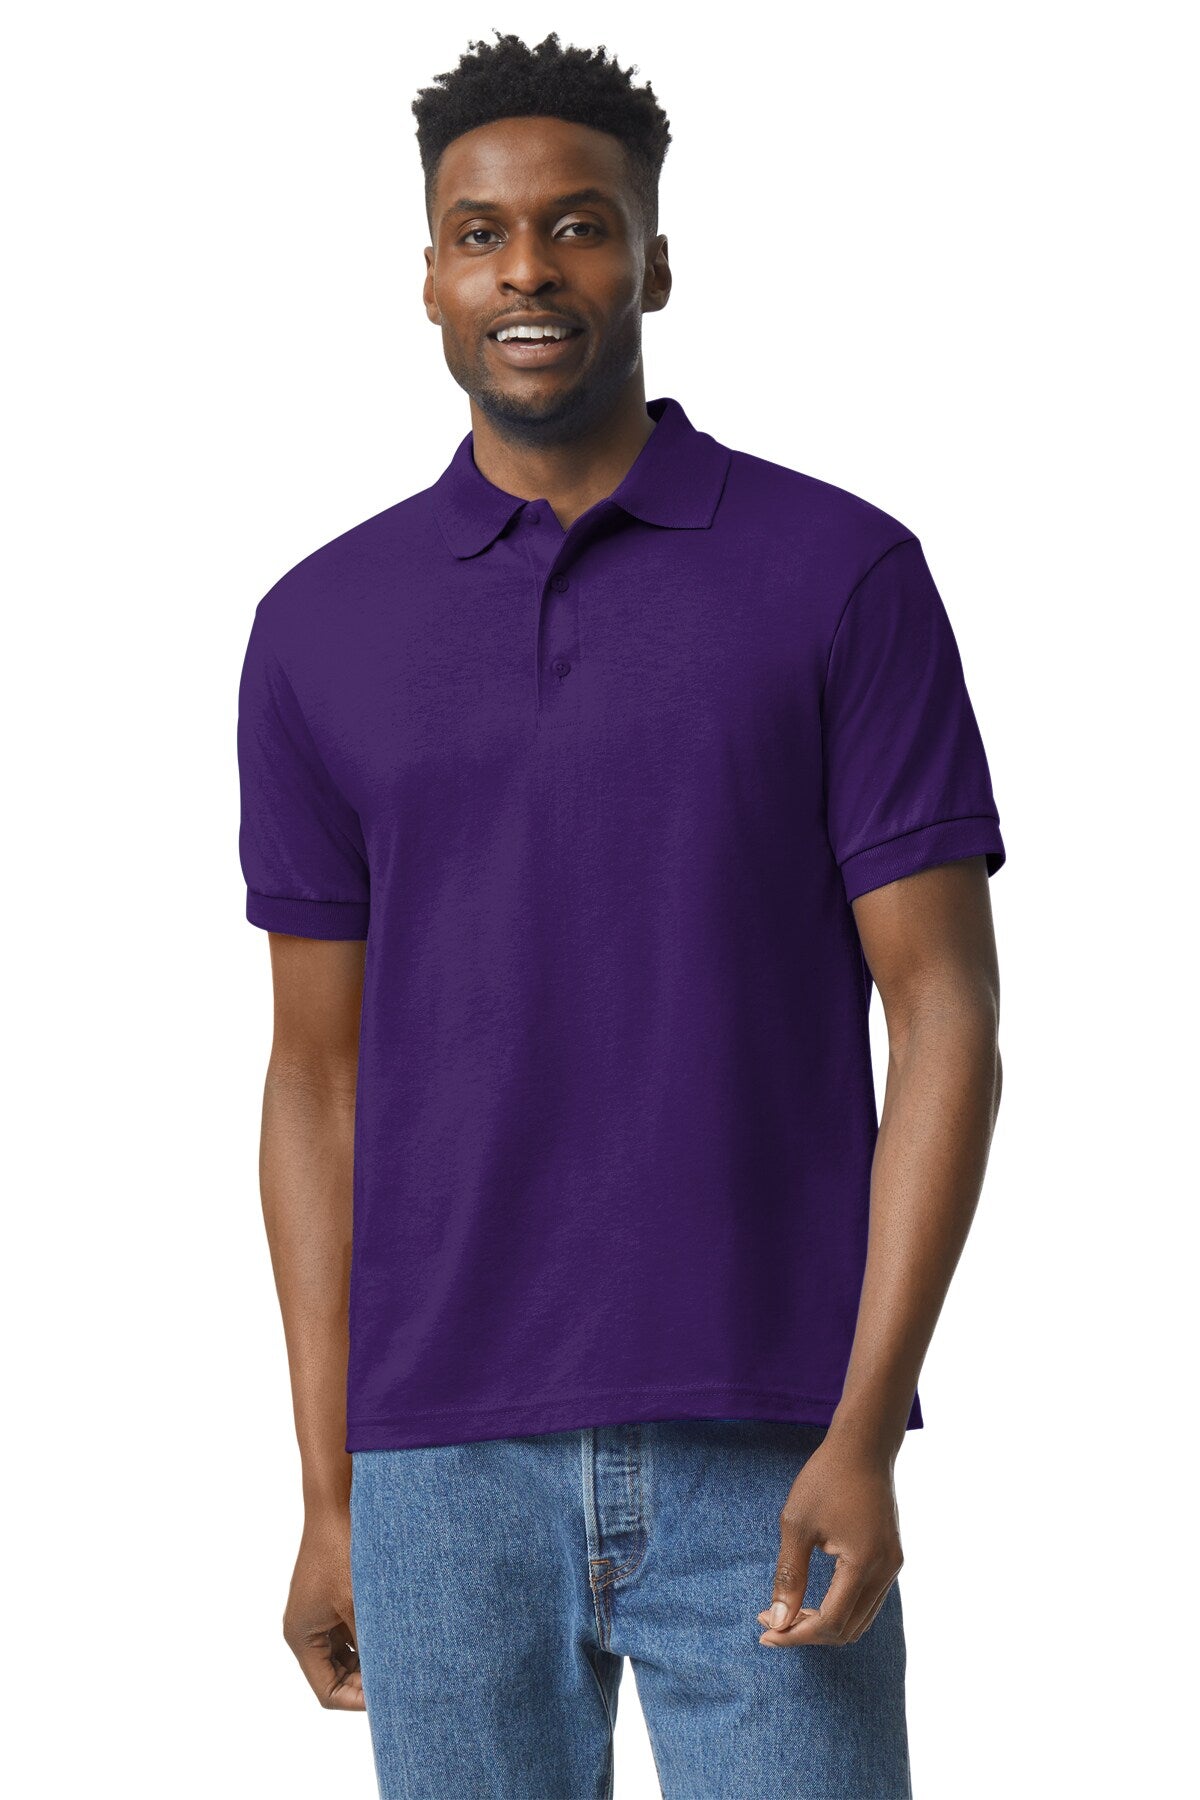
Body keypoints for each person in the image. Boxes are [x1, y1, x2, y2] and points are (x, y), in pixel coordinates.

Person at [236, 28, 1006, 1800]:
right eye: (482, 233)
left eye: (578, 226)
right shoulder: (319, 626)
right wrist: (330, 1491)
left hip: (772, 1433)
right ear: (431, 278)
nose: (528, 269)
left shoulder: (840, 575)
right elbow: (315, 1078)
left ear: (653, 263)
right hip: (438, 1467)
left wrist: (868, 1421)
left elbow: (945, 1012)